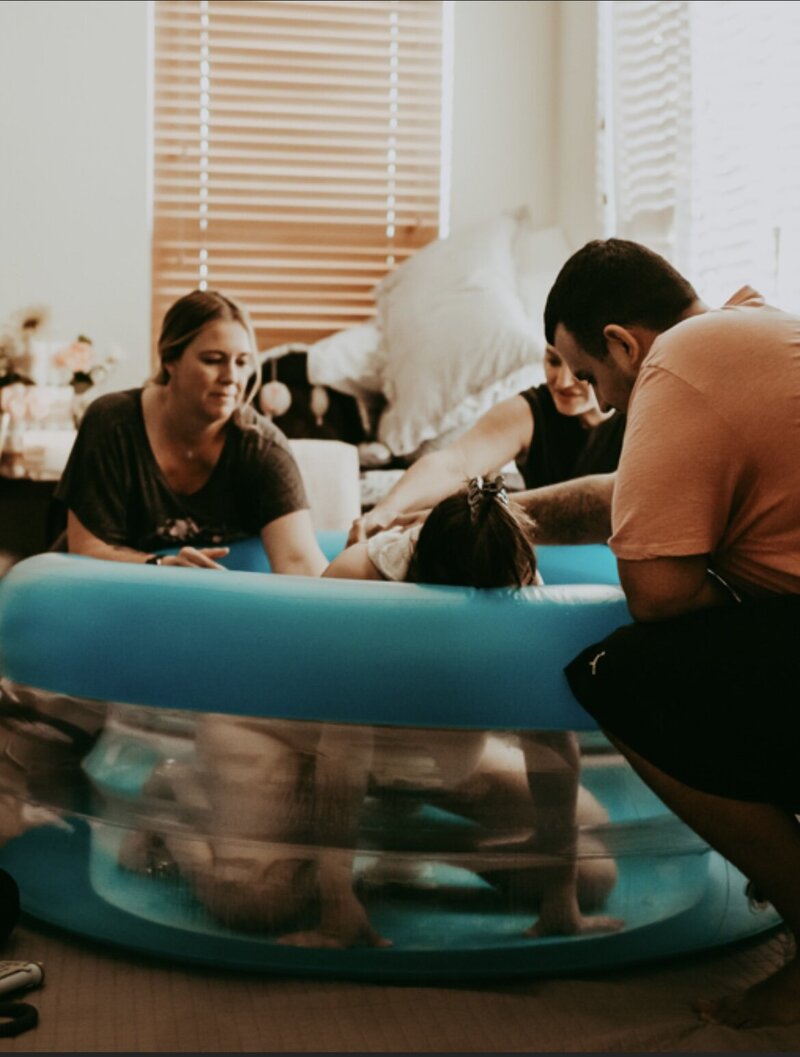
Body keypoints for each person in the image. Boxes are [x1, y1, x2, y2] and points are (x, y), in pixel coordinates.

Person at [115, 480, 619, 947]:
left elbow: (551, 744)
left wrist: (561, 900)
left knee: (593, 876)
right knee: (258, 904)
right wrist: (337, 905)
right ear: (423, 574)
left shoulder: (519, 584)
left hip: (420, 758)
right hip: (289, 736)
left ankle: (404, 843)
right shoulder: (359, 582)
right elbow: (343, 749)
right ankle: (174, 792)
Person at [536, 238, 800, 1028]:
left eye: (588, 374)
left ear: (624, 342)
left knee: (624, 671)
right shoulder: (751, 333)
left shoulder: (677, 364)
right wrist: (514, 513)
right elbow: (627, 493)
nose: (596, 399)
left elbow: (657, 595)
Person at [56, 290, 327, 575]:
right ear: (170, 359)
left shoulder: (262, 448)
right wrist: (162, 567)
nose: (231, 377)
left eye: (242, 362)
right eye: (212, 360)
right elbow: (87, 549)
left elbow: (298, 561)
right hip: (106, 594)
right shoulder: (112, 424)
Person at [347, 344, 625, 547]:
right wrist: (386, 510)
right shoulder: (530, 410)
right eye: (552, 361)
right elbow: (454, 463)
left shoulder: (644, 412)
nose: (562, 381)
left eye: (577, 370)